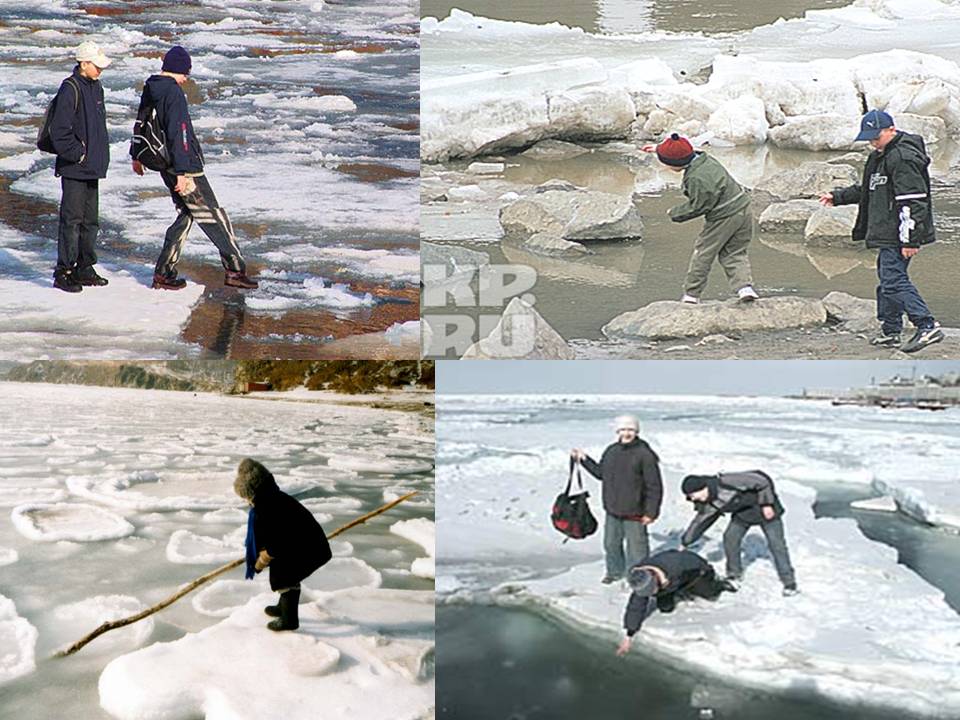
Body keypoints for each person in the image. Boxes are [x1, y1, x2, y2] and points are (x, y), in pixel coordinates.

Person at [132, 46, 258, 290]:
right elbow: (179, 134)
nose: (187, 77)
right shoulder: (174, 93)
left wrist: (136, 155)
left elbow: (141, 123)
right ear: (178, 69)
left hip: (164, 163)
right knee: (211, 215)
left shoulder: (152, 87)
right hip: (184, 167)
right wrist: (182, 172)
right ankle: (235, 270)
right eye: (185, 72)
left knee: (188, 214)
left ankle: (163, 273)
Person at [820, 110, 942, 353]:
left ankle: (926, 325)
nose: (873, 142)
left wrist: (910, 239)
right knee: (888, 281)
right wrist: (838, 197)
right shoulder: (880, 155)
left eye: (877, 136)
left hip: (901, 232)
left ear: (892, 130)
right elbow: (869, 188)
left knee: (894, 280)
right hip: (888, 231)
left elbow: (913, 201)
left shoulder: (903, 158)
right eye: (869, 138)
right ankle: (891, 331)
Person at [644, 134, 758, 304]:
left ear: (675, 164)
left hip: (724, 216)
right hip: (743, 209)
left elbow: (700, 206)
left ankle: (691, 295)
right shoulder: (705, 160)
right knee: (734, 252)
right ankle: (744, 289)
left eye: (664, 161)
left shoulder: (697, 178)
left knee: (703, 253)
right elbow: (683, 152)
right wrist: (658, 149)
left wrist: (675, 213)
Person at [234, 458, 332, 631]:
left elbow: (276, 543)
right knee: (285, 574)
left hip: (308, 548)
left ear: (254, 492)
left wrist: (260, 561)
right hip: (300, 543)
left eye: (247, 497)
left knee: (284, 577)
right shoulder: (272, 499)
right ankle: (284, 607)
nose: (247, 502)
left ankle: (289, 620)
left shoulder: (268, 509)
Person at [49, 41, 112, 293]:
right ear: (83, 63)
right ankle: (64, 271)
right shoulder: (70, 89)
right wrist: (79, 155)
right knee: (71, 220)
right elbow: (59, 132)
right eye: (96, 66)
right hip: (75, 167)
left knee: (90, 221)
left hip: (92, 168)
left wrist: (95, 158)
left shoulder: (96, 88)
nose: (100, 70)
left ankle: (84, 267)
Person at [571, 415, 662, 584]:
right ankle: (614, 572)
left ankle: (638, 578)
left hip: (635, 512)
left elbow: (654, 486)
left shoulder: (645, 454)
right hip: (613, 510)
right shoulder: (611, 450)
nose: (627, 433)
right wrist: (584, 459)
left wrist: (651, 512)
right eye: (623, 430)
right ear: (617, 431)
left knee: (637, 550)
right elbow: (600, 473)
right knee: (611, 544)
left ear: (636, 432)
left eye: (631, 430)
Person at [680, 471, 797, 597]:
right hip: (743, 515)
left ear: (702, 488)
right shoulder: (710, 502)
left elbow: (762, 481)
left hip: (767, 511)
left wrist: (766, 504)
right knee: (730, 538)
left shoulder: (727, 481)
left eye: (692, 495)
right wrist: (686, 541)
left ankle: (789, 582)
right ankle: (734, 576)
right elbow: (700, 521)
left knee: (777, 544)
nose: (692, 499)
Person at [616, 549, 736, 656]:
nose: (649, 595)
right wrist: (629, 635)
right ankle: (677, 590)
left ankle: (720, 585)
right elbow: (635, 607)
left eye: (652, 591)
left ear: (655, 578)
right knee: (665, 607)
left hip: (696, 573)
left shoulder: (676, 564)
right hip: (671, 583)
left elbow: (698, 563)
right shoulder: (640, 579)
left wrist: (707, 572)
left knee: (710, 594)